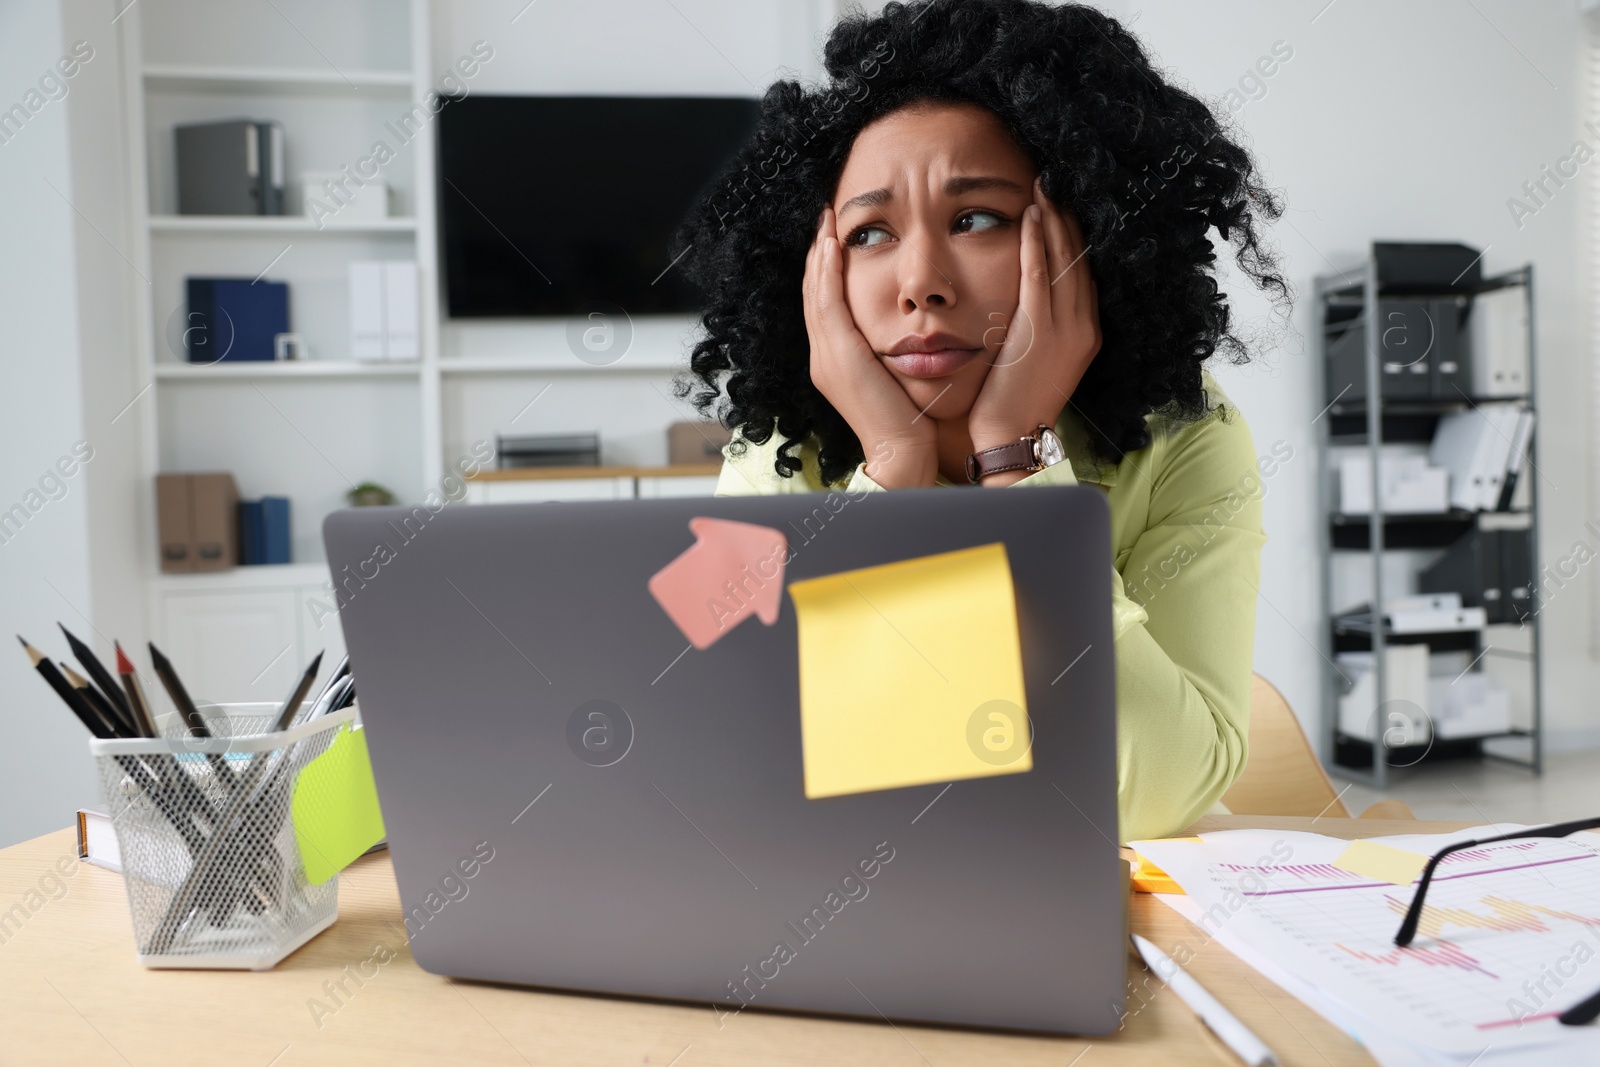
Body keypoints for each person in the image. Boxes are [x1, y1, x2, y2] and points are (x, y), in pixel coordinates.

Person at [672, 0, 1289, 843]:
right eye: (871, 233)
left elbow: (1157, 793)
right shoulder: (780, 447)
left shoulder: (1191, 436)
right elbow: (719, 754)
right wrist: (893, 470)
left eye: (975, 219)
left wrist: (1019, 465)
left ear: (1086, 236)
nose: (920, 282)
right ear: (819, 273)